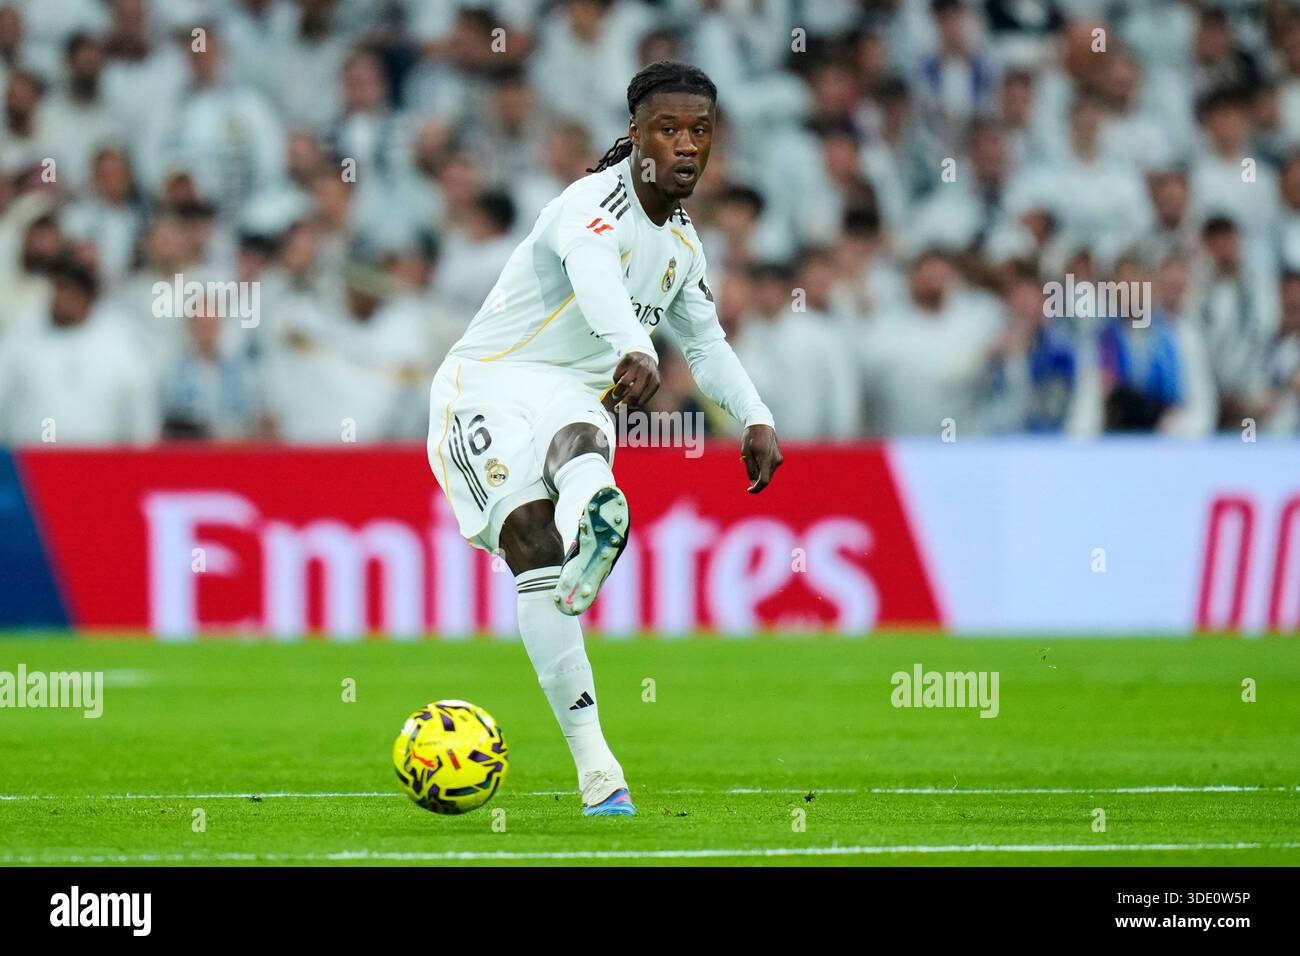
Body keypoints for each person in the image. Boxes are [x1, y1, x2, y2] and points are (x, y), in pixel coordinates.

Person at [424, 61, 781, 816]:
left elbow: (708, 343)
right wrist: (638, 348)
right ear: (635, 135)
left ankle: (595, 520)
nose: (687, 146)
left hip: (569, 397)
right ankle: (595, 759)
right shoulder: (587, 203)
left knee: (581, 429)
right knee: (529, 536)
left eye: (701, 132)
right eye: (669, 129)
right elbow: (594, 275)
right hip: (487, 383)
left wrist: (754, 416)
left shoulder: (684, 245)